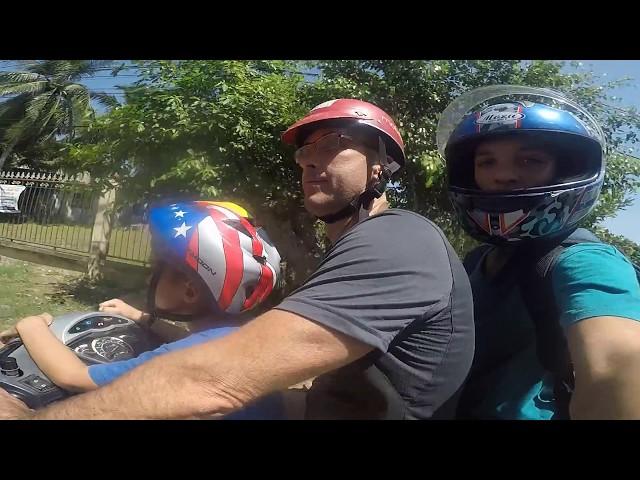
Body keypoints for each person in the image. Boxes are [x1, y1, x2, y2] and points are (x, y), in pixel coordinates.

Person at [0, 99, 474, 420]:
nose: (311, 161)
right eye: (307, 152)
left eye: (333, 145)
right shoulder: (365, 241)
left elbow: (214, 380)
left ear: (381, 166)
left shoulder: (396, 242)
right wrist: (146, 318)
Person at [438, 85, 640, 420]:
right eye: (486, 162)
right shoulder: (478, 260)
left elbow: (616, 380)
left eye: (530, 160)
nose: (502, 175)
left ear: (565, 172)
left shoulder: (585, 260)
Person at [0, 200, 285, 420]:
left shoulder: (184, 361)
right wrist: (139, 317)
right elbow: (190, 341)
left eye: (155, 268)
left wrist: (31, 324)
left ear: (190, 290)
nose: (149, 278)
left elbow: (75, 378)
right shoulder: (237, 339)